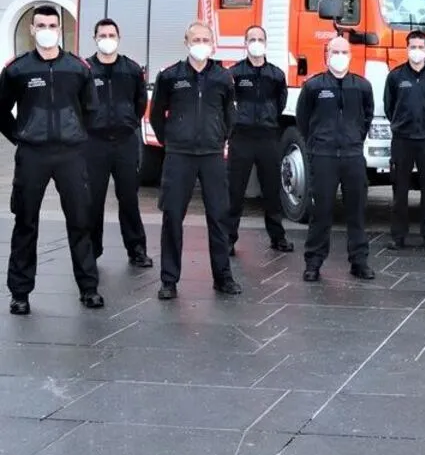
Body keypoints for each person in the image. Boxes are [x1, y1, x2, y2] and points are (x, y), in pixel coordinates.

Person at [0, 5, 104, 315]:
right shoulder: (17, 70)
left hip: (70, 155)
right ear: (32, 30)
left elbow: (91, 109)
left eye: (52, 25)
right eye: (41, 25)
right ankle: (20, 293)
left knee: (80, 221)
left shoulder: (78, 68)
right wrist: (20, 135)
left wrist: (76, 134)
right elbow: (1, 110)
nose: (47, 29)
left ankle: (89, 288)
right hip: (32, 154)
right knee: (25, 222)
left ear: (60, 29)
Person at [150, 21, 240, 300]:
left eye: (205, 39)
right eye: (195, 39)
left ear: (212, 43)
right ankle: (169, 280)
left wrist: (217, 138)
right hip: (179, 156)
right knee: (173, 217)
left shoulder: (222, 77)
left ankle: (223, 277)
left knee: (219, 217)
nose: (200, 43)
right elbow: (156, 115)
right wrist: (173, 140)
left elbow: (230, 116)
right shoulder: (170, 76)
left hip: (211, 156)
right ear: (186, 42)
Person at [296, 36, 374, 282]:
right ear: (326, 55)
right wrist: (318, 143)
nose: (340, 56)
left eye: (344, 51)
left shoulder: (361, 86)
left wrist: (354, 139)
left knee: (356, 212)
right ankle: (313, 262)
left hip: (352, 156)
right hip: (324, 156)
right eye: (335, 51)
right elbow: (303, 120)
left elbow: (367, 117)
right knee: (322, 212)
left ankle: (359, 261)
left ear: (350, 55)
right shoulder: (314, 86)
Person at [85, 18, 152, 269]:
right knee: (93, 199)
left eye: (111, 34)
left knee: (129, 198)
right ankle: (92, 250)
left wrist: (129, 124)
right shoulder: (86, 69)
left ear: (119, 37)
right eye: (102, 35)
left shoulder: (132, 69)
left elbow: (140, 103)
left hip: (125, 143)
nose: (107, 39)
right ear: (95, 38)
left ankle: (136, 249)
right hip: (94, 144)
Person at [226, 25, 293, 256]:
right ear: (245, 43)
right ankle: (228, 239)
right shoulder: (234, 74)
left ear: (266, 42)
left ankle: (278, 237)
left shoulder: (276, 75)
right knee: (234, 192)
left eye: (260, 38)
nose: (256, 42)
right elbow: (226, 104)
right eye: (252, 38)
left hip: (267, 138)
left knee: (272, 191)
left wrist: (268, 118)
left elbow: (281, 103)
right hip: (241, 138)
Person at [384, 29, 425, 250]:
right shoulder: (396, 76)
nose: (417, 51)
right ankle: (398, 236)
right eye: (413, 47)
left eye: (421, 47)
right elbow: (389, 107)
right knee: (399, 190)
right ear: (407, 48)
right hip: (402, 140)